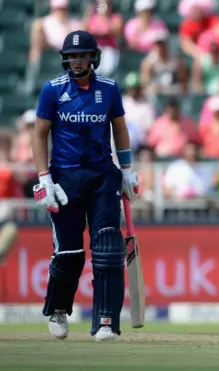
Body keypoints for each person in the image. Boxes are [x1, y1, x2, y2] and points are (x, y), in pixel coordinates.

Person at [31, 30, 139, 342]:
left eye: (83, 55)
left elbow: (119, 128)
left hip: (103, 174)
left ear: (94, 57)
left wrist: (127, 170)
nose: (78, 60)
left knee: (106, 248)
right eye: (73, 56)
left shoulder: (108, 88)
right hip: (65, 177)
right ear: (65, 58)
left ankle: (105, 321)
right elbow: (39, 134)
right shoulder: (53, 90)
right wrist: (43, 177)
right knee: (70, 253)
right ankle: (59, 308)